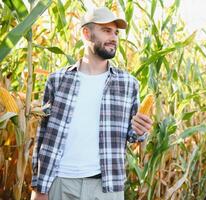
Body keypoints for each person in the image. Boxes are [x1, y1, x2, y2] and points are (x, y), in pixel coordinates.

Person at [30, 7, 153, 200]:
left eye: (116, 32)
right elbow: (43, 137)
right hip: (60, 182)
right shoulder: (57, 80)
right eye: (106, 31)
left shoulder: (129, 84)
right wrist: (39, 187)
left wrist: (140, 131)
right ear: (87, 33)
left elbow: (133, 137)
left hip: (106, 188)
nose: (114, 37)